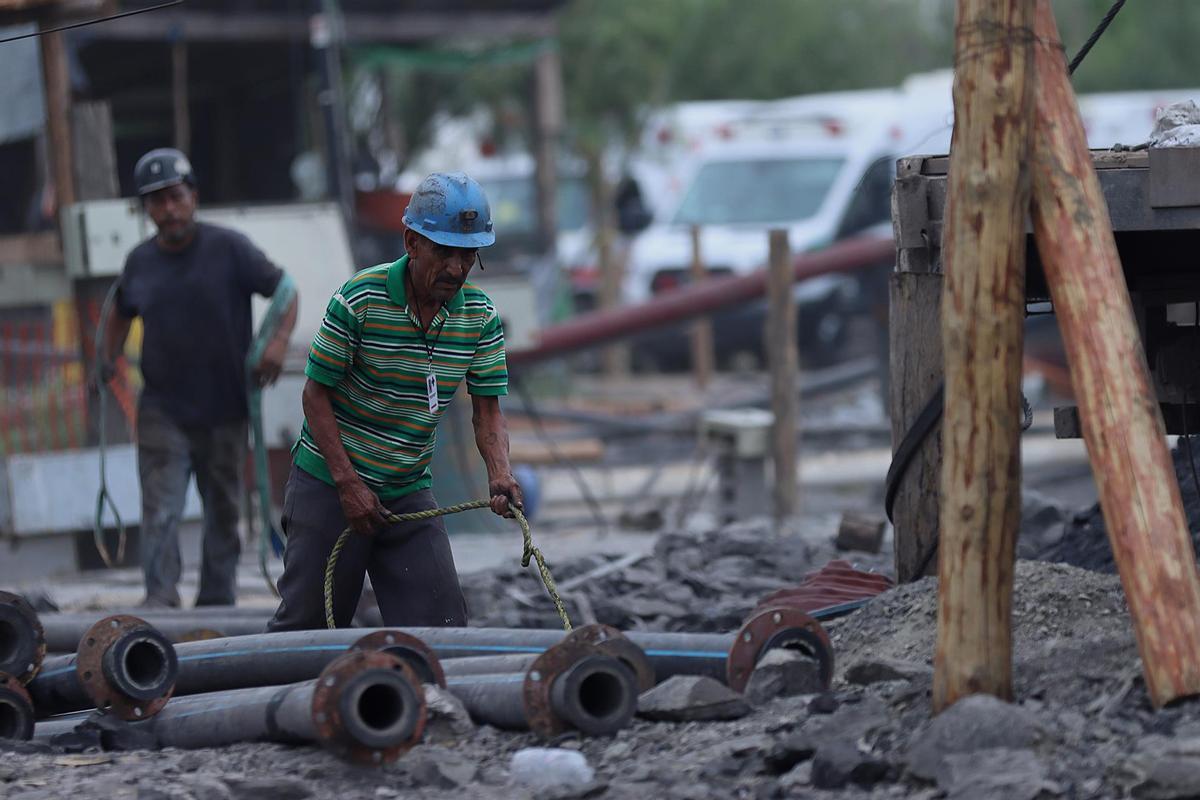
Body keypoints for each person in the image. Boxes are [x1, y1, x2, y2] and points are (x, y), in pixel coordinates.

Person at [268, 172, 522, 631]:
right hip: (330, 483)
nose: (456, 269)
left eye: (468, 256)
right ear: (411, 241)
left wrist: (500, 474)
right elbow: (314, 396)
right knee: (307, 631)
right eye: (444, 252)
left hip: (407, 488)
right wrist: (348, 484)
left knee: (443, 627)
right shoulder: (359, 299)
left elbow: (488, 412)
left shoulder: (480, 317)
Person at [101, 148, 298, 608]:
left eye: (175, 196)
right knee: (162, 509)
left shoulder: (229, 248)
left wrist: (277, 342)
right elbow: (119, 310)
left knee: (223, 512)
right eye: (156, 201)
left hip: (226, 407)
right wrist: (105, 359)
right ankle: (161, 598)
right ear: (145, 209)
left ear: (193, 195)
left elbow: (285, 289)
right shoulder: (140, 262)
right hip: (163, 409)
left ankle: (216, 602)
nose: (168, 210)